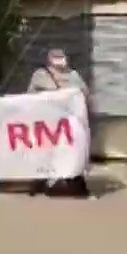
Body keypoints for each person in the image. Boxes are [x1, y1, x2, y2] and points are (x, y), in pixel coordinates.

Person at [25, 49, 92, 197]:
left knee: (71, 152)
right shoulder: (40, 75)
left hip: (67, 123)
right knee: (45, 153)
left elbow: (85, 94)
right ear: (49, 59)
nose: (59, 60)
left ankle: (75, 183)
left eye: (61, 57)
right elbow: (30, 96)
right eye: (56, 57)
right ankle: (40, 182)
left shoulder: (74, 76)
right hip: (47, 123)